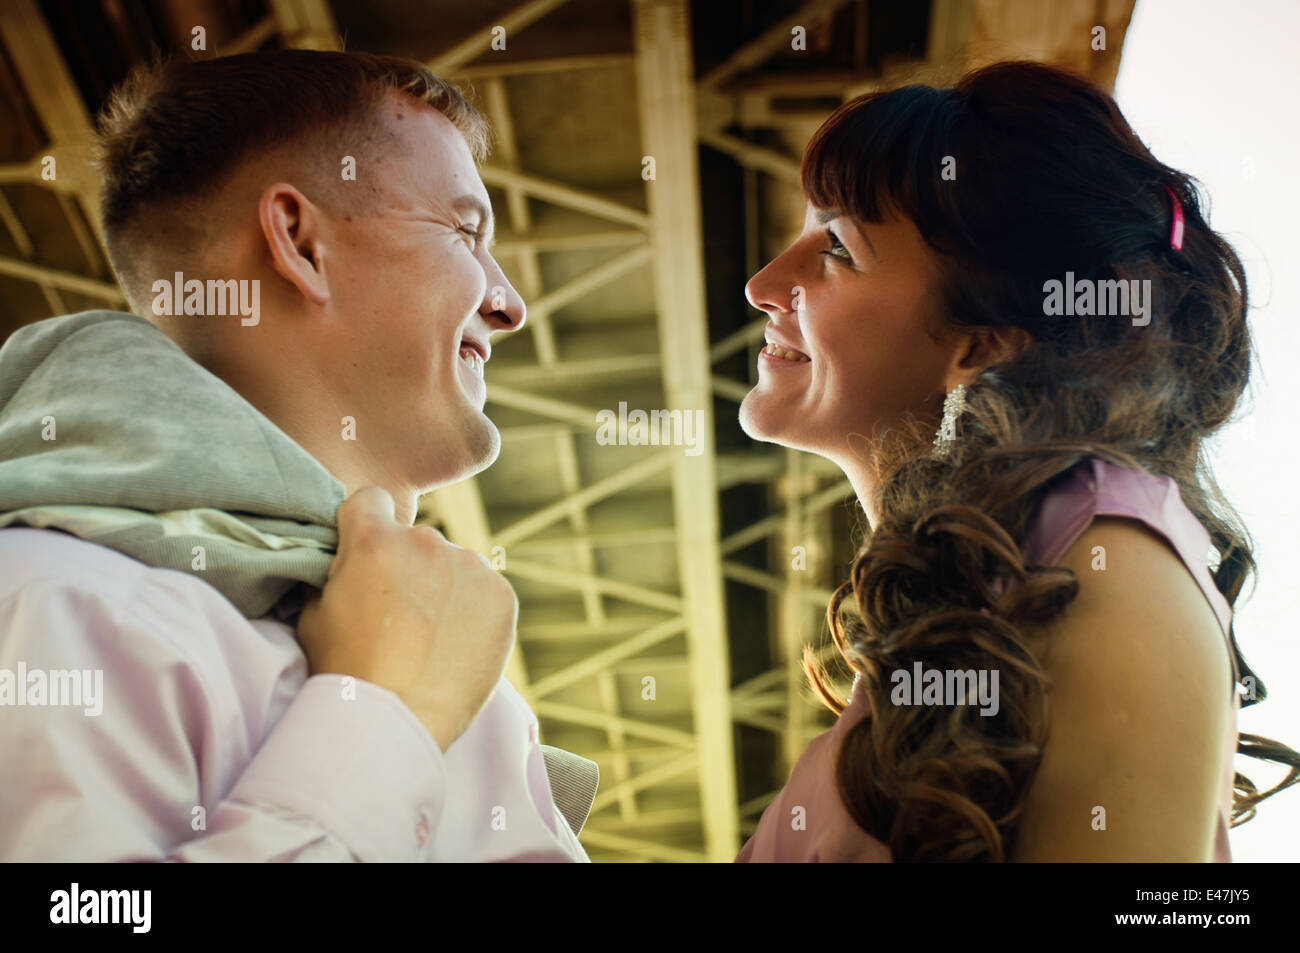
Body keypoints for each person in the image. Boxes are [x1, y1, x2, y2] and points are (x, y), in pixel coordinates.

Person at [0, 49, 594, 861]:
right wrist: (385, 716)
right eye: (464, 230)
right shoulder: (50, 601)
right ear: (299, 242)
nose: (511, 303)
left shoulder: (480, 693)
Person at [734, 60, 1298, 862]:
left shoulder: (1105, 563)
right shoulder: (957, 617)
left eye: (835, 248)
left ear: (984, 342)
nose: (763, 284)